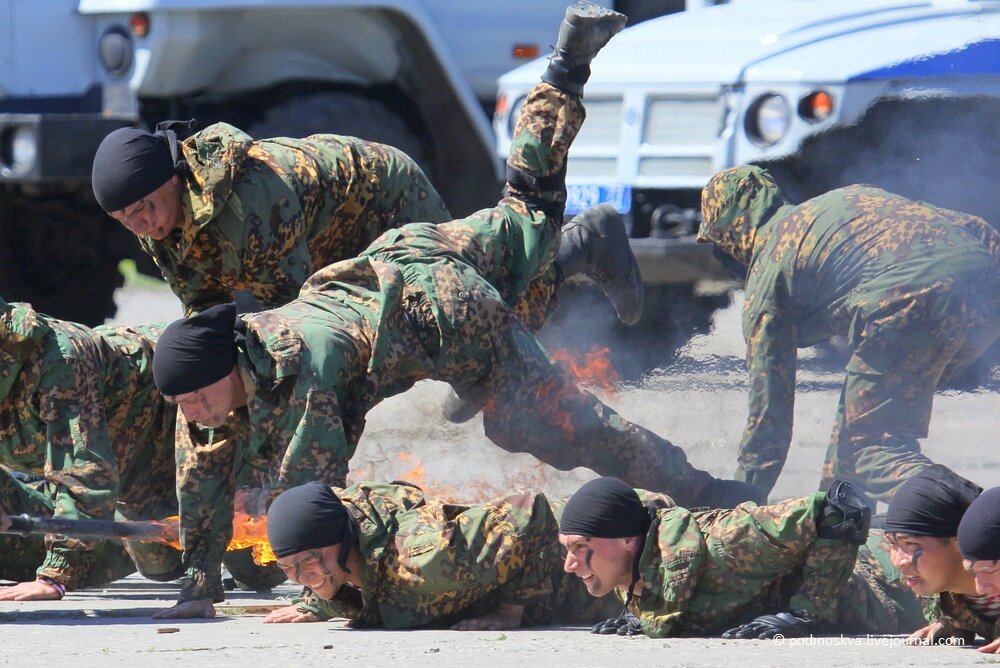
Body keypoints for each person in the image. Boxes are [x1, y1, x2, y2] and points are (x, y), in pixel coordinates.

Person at [147, 1, 762, 620]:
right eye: (185, 404)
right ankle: (566, 71)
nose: (194, 412)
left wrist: (322, 598)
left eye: (198, 399)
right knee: (526, 208)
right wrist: (197, 581)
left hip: (440, 313)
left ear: (226, 370)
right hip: (399, 255)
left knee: (547, 423)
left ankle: (707, 493)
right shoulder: (215, 371)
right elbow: (199, 463)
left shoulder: (306, 370)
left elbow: (319, 500)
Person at [697, 165, 1000, 502]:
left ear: (730, 231)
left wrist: (743, 504)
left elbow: (769, 418)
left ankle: (981, 523)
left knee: (870, 453)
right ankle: (841, 522)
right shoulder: (842, 200)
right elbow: (974, 227)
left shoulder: (770, 267)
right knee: (861, 425)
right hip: (985, 292)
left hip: (909, 303)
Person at [0, 298, 280, 602]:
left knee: (257, 562)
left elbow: (85, 474)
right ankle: (117, 529)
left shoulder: (59, 358)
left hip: (198, 429)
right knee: (159, 565)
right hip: (125, 485)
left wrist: (56, 575)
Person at [559, 476, 925, 639]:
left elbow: (840, 509)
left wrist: (803, 614)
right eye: (567, 549)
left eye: (580, 547)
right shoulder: (632, 568)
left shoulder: (728, 539)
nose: (570, 564)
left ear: (626, 540)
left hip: (892, 587)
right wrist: (650, 617)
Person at [260, 480, 621, 629]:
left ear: (341, 540)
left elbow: (530, 512)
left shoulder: (424, 559)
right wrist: (318, 601)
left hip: (608, 566)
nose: (299, 578)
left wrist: (510, 612)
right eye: (288, 568)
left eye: (308, 562)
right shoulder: (345, 562)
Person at [884, 465, 1000, 651]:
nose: (899, 561)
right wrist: (953, 623)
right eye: (893, 544)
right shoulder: (939, 593)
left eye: (912, 545)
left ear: (958, 542)